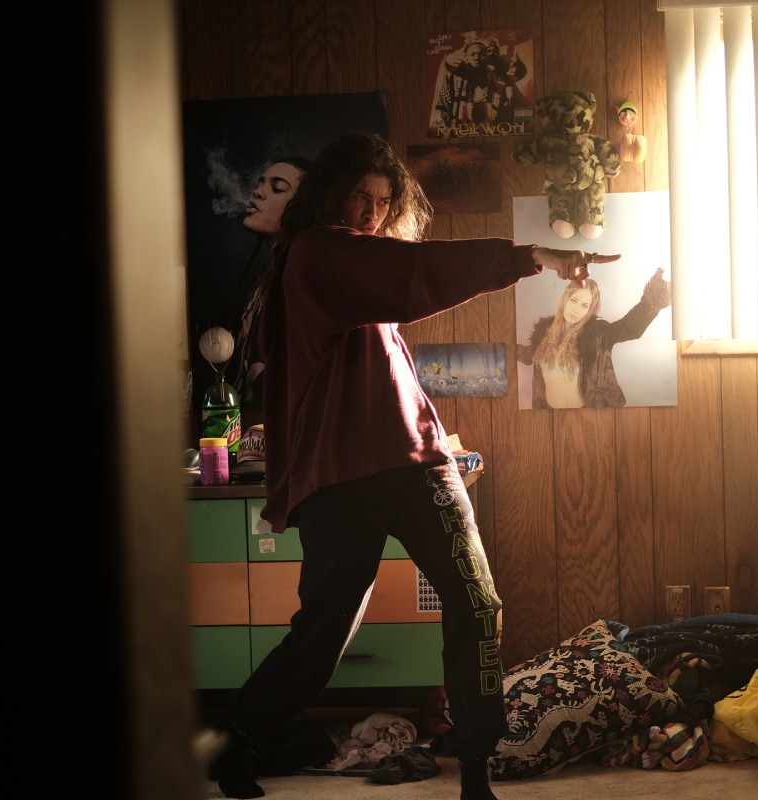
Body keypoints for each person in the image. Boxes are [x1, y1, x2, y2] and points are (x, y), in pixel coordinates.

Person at [210, 132, 618, 800]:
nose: (371, 212)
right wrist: (530, 256)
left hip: (420, 460)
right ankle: (235, 732)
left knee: (477, 602)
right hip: (342, 476)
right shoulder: (316, 252)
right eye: (359, 197)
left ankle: (476, 769)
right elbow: (413, 275)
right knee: (324, 635)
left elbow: (400, 292)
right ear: (330, 194)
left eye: (383, 201)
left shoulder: (361, 262)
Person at [516, 268, 670, 409]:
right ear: (565, 299)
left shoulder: (598, 335)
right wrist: (505, 347)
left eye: (585, 306)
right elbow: (529, 354)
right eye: (573, 300)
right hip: (549, 415)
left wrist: (652, 299)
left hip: (589, 413)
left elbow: (629, 328)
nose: (576, 310)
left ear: (590, 310)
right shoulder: (543, 334)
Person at [233, 157, 311, 424]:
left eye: (277, 188)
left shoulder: (298, 280)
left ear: (301, 208)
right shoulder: (265, 282)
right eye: (261, 183)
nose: (258, 192)